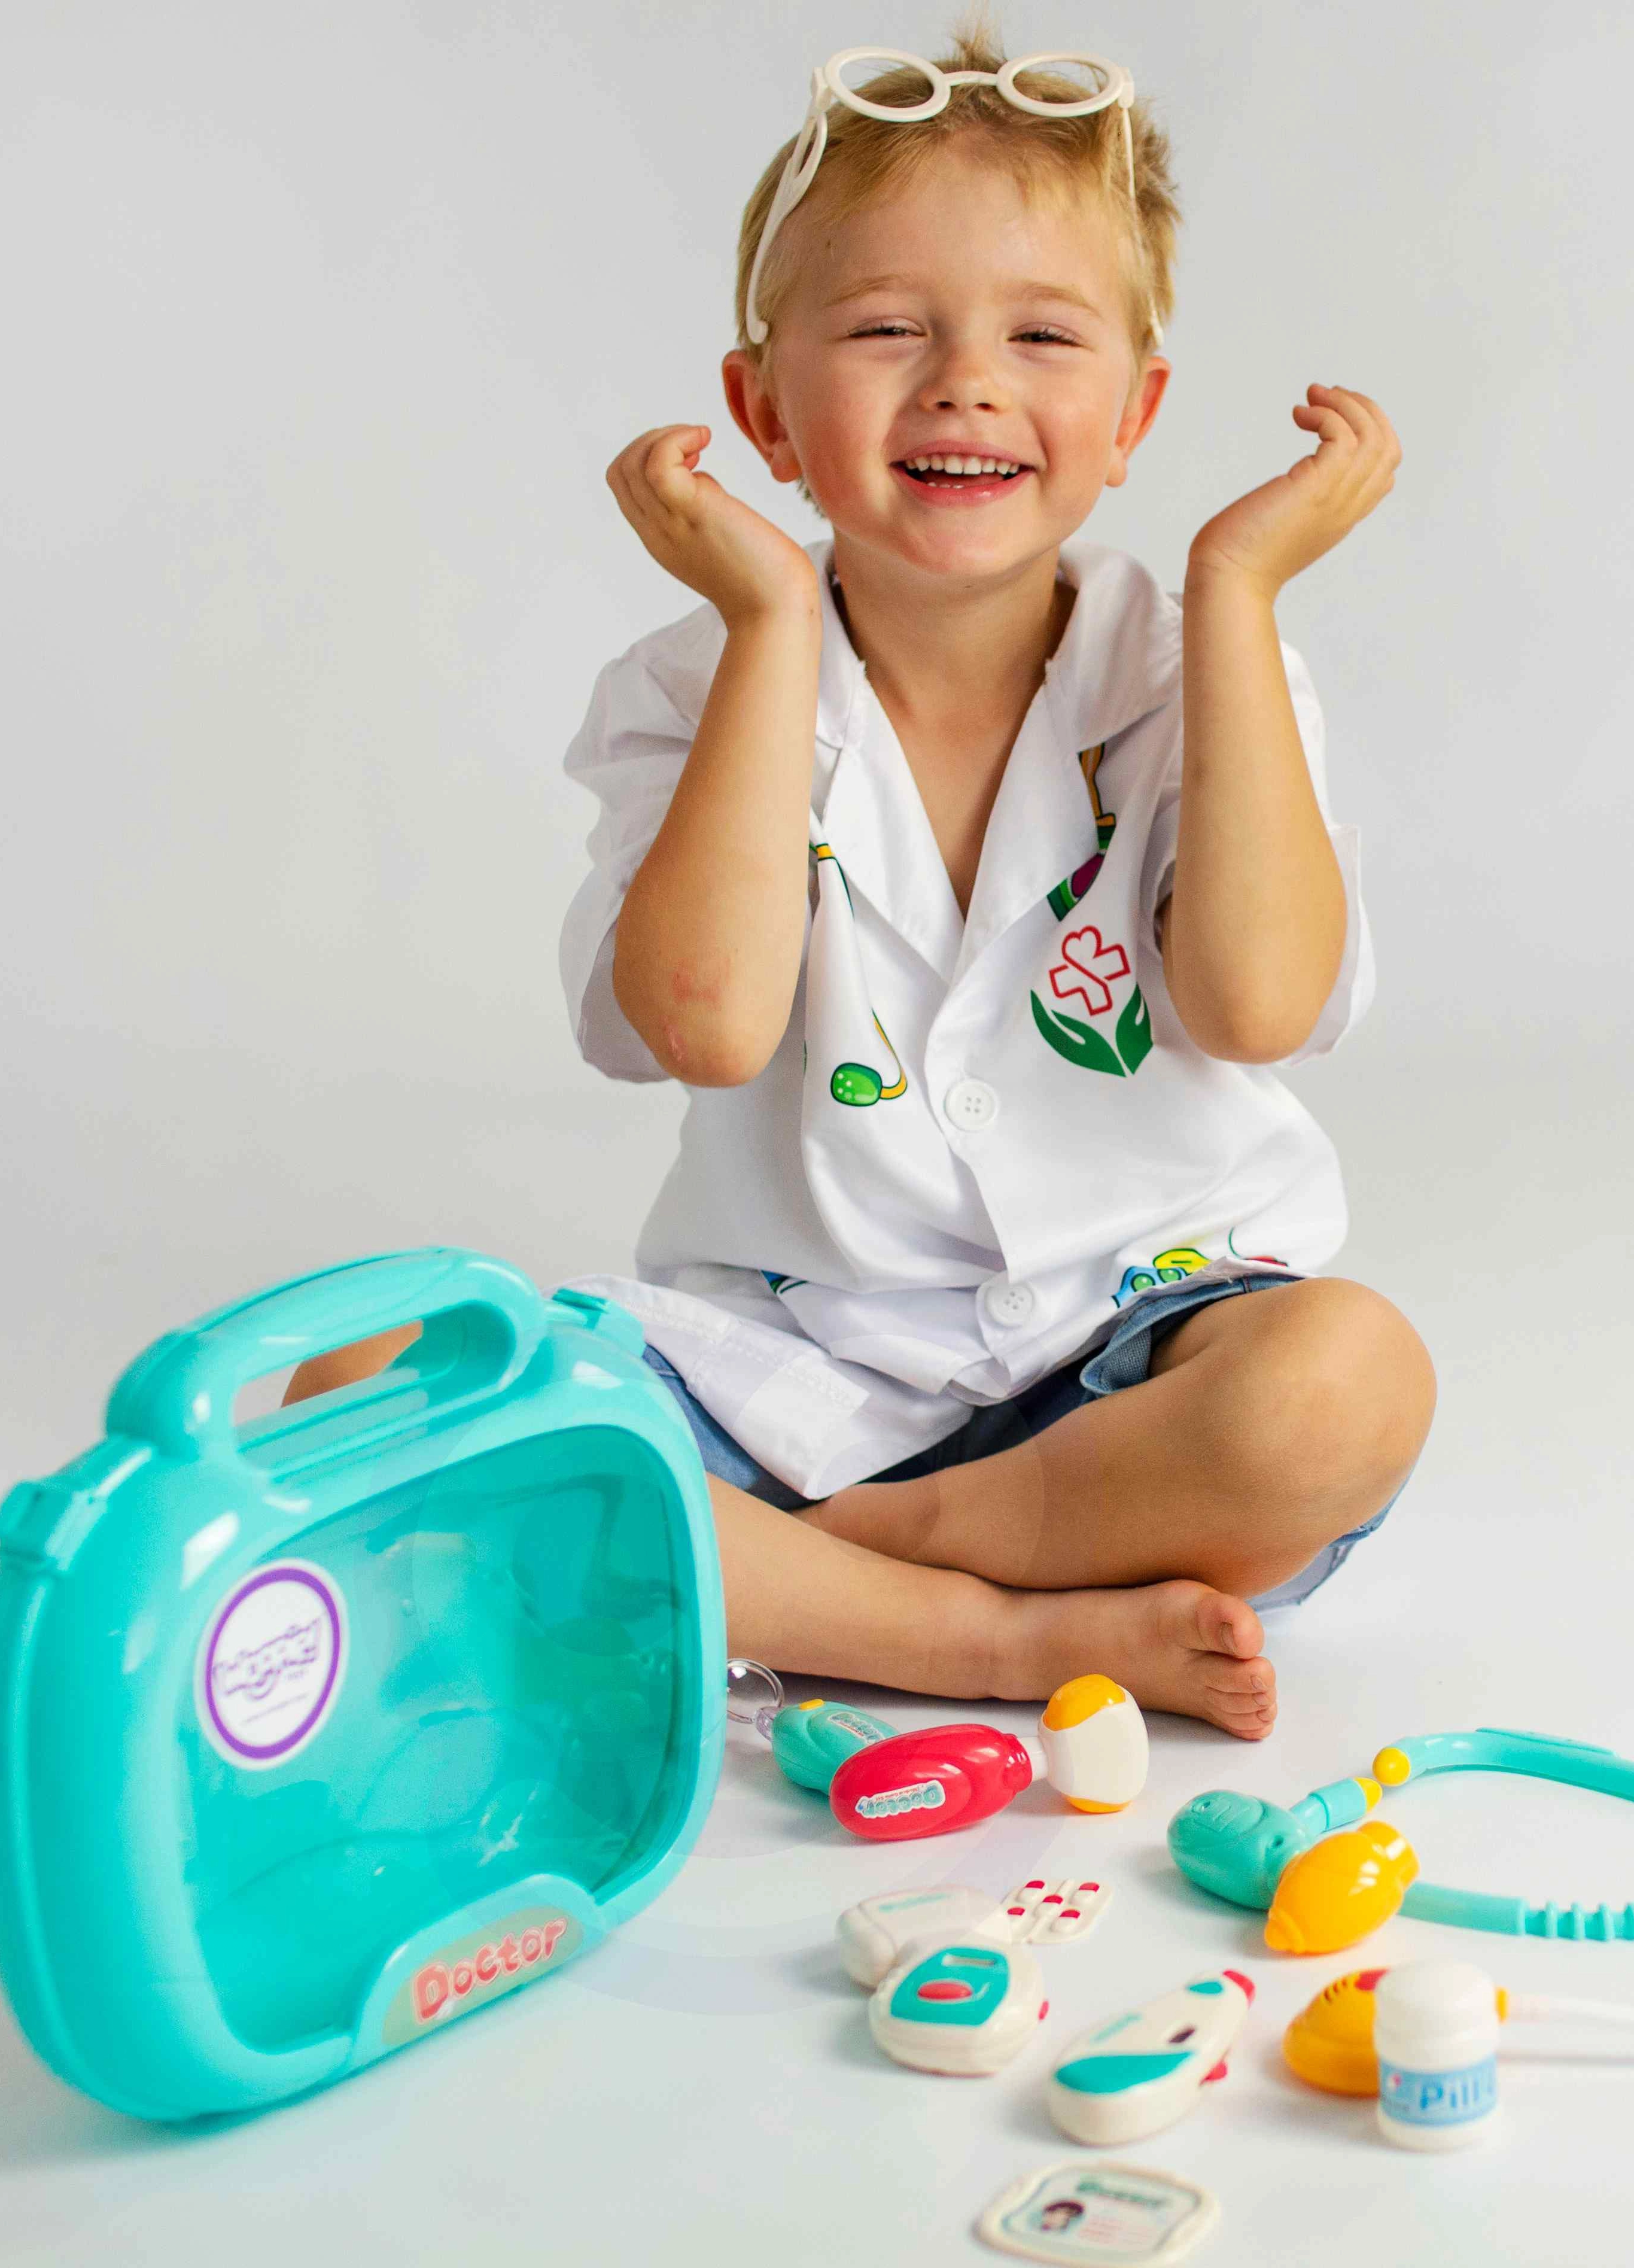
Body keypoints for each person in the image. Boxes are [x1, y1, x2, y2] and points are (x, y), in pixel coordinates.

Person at [287, 17, 1434, 1737]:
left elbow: (1257, 1002)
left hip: (1137, 1379)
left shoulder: (1202, 666)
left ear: (1134, 413)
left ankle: (840, 1571)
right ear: (763, 408)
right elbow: (704, 1023)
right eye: (889, 328)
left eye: (1042, 335)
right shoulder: (689, 686)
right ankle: (982, 1641)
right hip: (789, 1371)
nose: (964, 382)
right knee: (365, 1382)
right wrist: (767, 623)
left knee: (1347, 1385)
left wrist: (1241, 589)